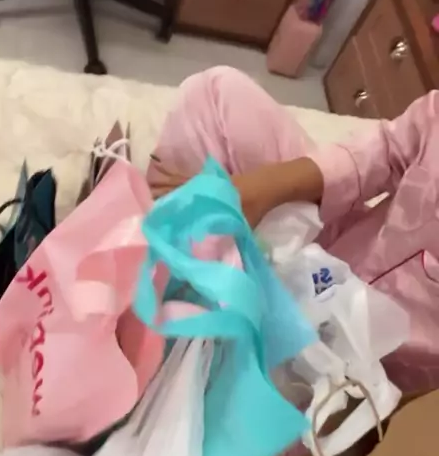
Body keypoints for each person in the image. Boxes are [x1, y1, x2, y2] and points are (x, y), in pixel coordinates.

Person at [148, 65, 439, 395]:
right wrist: (260, 189)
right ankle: (149, 259)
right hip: (332, 247)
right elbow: (392, 149)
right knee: (216, 94)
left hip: (360, 375)